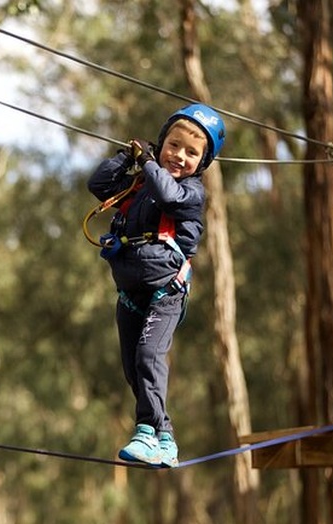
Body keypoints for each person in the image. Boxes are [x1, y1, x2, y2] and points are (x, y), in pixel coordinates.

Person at [87, 104, 225, 467]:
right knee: (133, 368)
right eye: (173, 146)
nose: (179, 156)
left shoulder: (190, 192)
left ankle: (147, 431)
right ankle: (165, 438)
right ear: (162, 143)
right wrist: (126, 157)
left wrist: (150, 163)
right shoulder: (142, 182)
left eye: (191, 152)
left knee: (149, 357)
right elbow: (98, 185)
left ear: (202, 162)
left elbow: (168, 196)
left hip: (165, 294)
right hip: (130, 294)